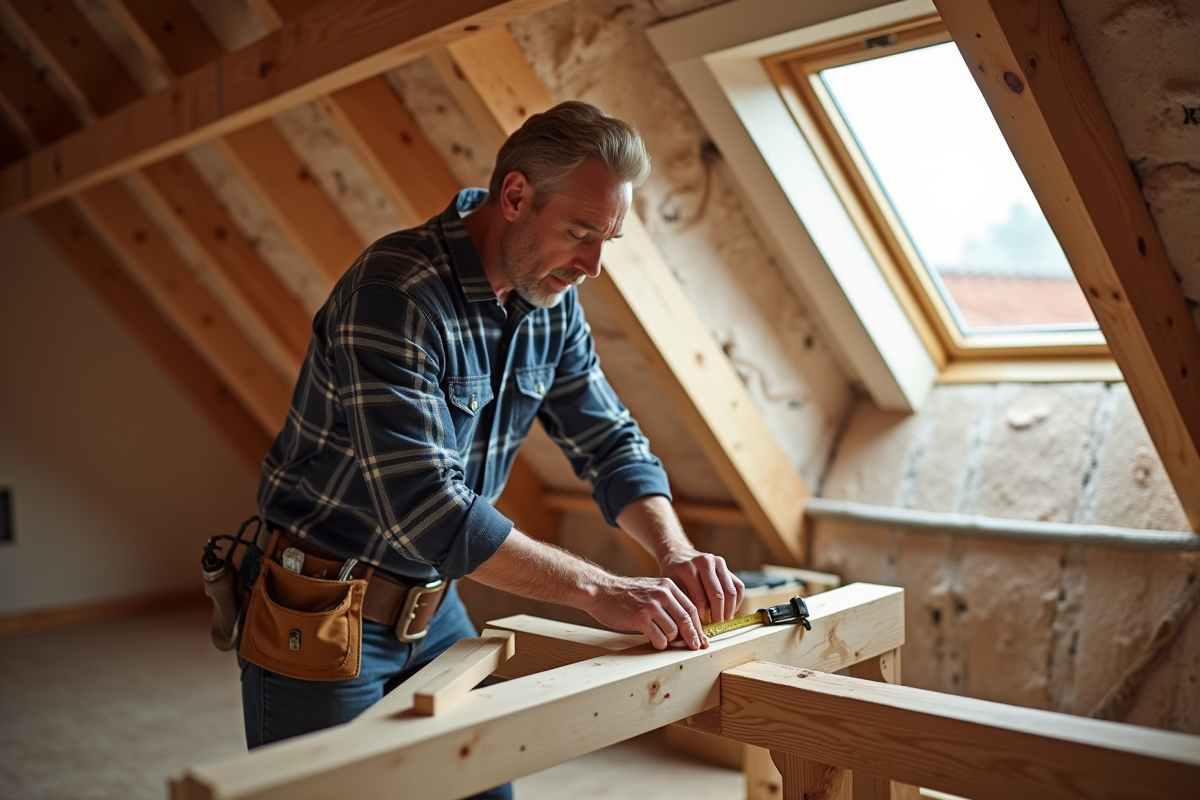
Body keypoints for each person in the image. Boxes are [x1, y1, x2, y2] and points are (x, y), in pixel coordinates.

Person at [244, 101, 744, 797]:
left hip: (434, 601)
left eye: (608, 240)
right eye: (580, 233)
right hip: (323, 608)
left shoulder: (551, 299)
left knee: (486, 788)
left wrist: (675, 551)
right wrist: (598, 589)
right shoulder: (396, 292)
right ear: (515, 196)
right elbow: (426, 508)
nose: (594, 265)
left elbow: (609, 441)